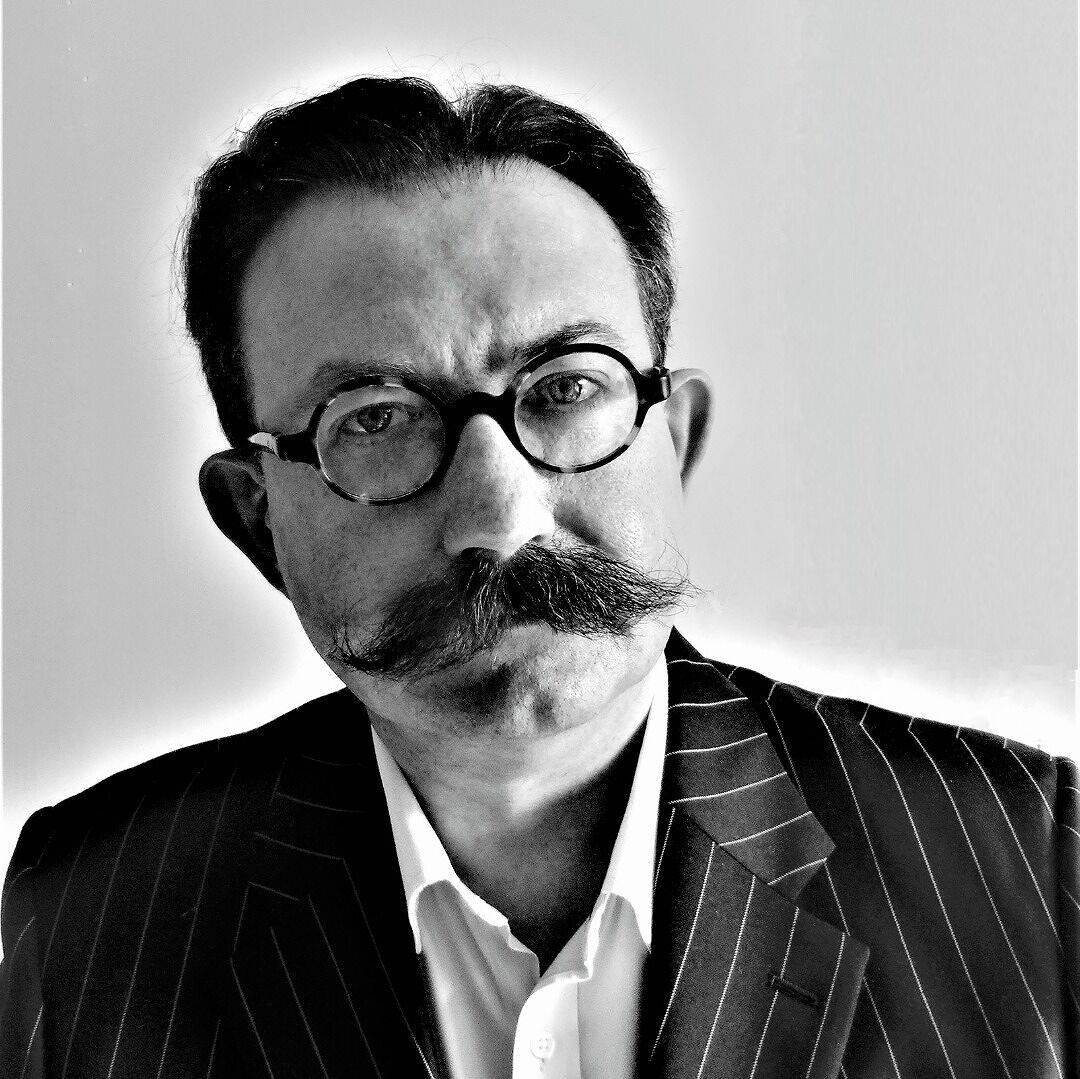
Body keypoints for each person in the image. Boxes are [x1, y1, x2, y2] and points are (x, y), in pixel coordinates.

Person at [0, 75, 1076, 1079]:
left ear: (676, 440)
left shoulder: (1035, 868)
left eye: (565, 388)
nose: (500, 516)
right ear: (256, 519)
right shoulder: (80, 920)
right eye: (374, 419)